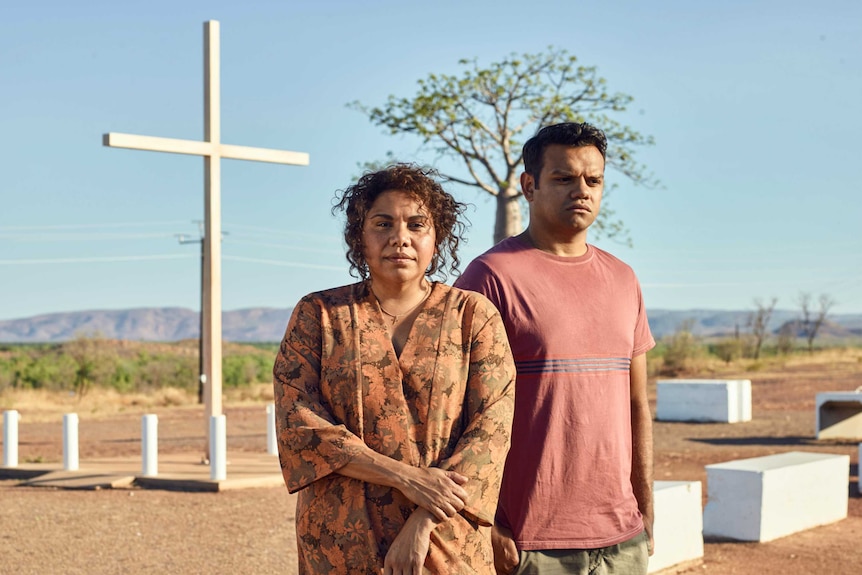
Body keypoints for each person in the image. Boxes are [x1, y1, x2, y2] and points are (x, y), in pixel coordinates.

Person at [273, 164, 516, 575]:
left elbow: (491, 432)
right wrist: (405, 477)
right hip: (341, 540)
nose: (399, 238)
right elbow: (300, 423)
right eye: (382, 224)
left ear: (436, 238)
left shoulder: (473, 316)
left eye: (416, 225)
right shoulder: (320, 315)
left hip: (445, 538)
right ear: (359, 237)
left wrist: (423, 520)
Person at [454, 122, 656, 575]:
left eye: (593, 180)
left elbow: (637, 404)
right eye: (564, 178)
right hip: (529, 541)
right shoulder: (489, 277)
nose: (581, 190)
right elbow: (452, 412)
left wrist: (646, 508)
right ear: (530, 185)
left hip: (622, 539)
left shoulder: (624, 279)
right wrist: (481, 522)